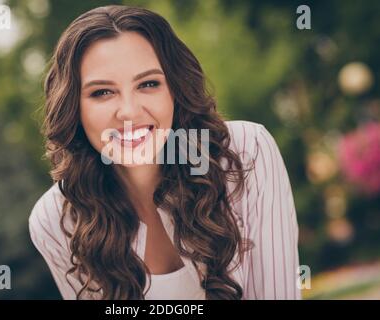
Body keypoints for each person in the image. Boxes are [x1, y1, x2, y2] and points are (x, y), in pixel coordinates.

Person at [29, 4, 301, 300]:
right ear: (74, 108)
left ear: (175, 89)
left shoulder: (245, 151)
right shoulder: (56, 217)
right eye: (102, 92)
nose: (129, 112)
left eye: (148, 84)